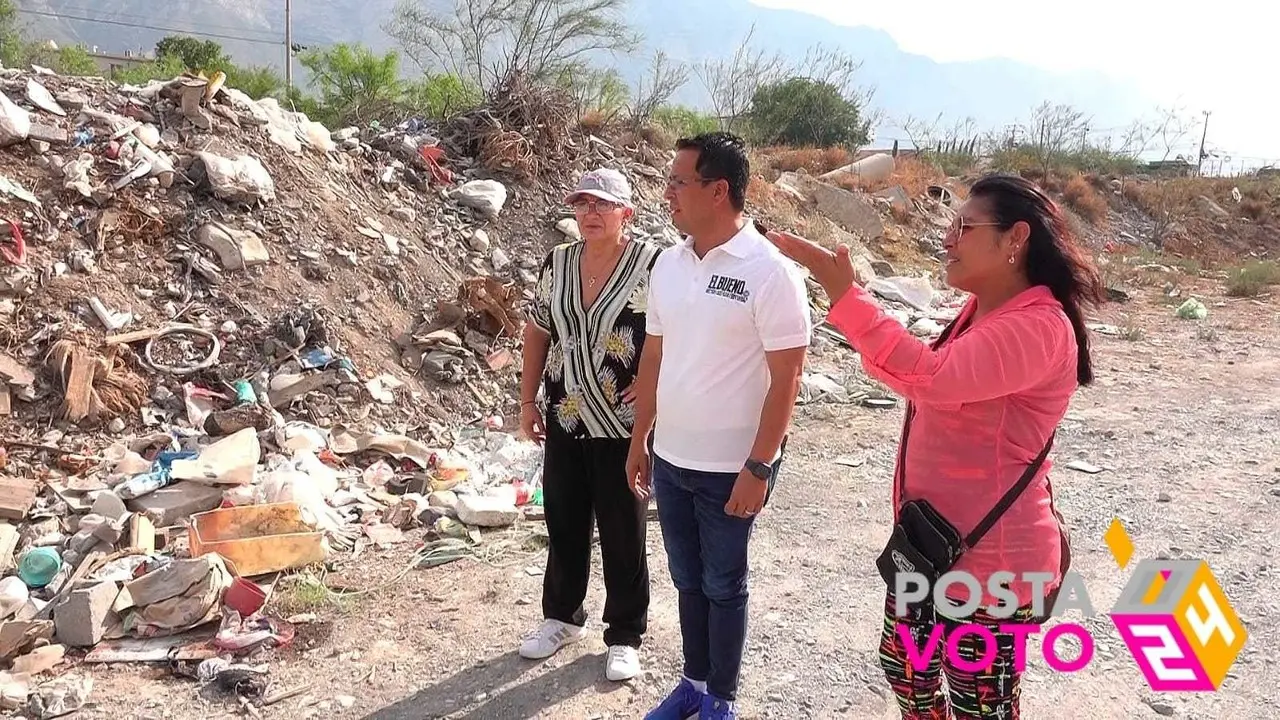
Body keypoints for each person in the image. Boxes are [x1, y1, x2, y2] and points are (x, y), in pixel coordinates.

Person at [766, 173, 1105, 720]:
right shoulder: (983, 314)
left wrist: (847, 299)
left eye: (965, 226)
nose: (948, 238)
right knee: (906, 668)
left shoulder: (1039, 326)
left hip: (991, 563)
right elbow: (920, 376)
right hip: (931, 545)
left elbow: (930, 377)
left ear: (1016, 240)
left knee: (980, 705)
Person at [626, 132, 813, 720]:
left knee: (723, 583)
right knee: (687, 580)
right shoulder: (670, 263)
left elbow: (787, 378)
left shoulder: (770, 272)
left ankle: (720, 701)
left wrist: (759, 466)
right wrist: (640, 439)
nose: (668, 192)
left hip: (733, 467)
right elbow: (653, 356)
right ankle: (693, 682)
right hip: (673, 459)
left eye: (679, 182)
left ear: (719, 191)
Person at [517, 167, 661, 683]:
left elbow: (679, 333)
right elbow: (537, 331)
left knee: (624, 529)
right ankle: (560, 617)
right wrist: (526, 400)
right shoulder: (558, 262)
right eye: (582, 204)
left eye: (603, 205)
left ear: (628, 213)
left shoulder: (653, 264)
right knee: (565, 520)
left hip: (624, 421)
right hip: (563, 414)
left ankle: (624, 633)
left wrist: (656, 389)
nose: (591, 214)